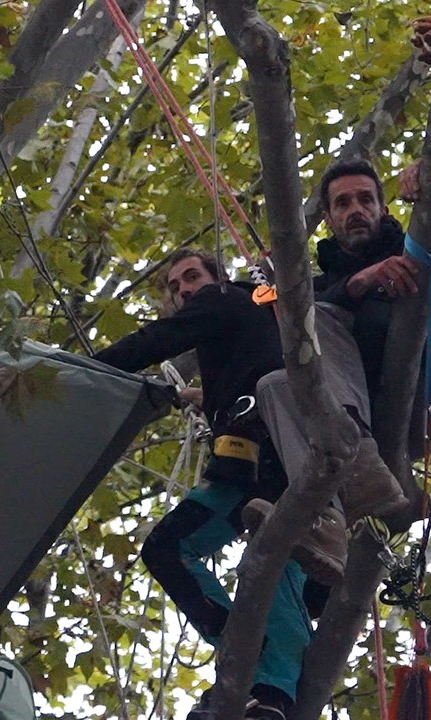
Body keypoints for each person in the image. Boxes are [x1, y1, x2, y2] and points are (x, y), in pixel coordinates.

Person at [94, 249, 345, 720]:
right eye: (175, 287)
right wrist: (204, 396)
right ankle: (260, 675)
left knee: (204, 552)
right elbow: (255, 364)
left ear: (218, 277)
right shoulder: (251, 319)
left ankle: (264, 678)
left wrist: (88, 367)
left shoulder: (225, 297)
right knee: (268, 564)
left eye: (191, 277)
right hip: (265, 457)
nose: (185, 290)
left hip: (267, 458)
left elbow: (156, 340)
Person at [249, 157, 431, 534]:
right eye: (343, 203)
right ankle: (325, 519)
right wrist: (359, 282)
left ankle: (359, 456)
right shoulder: (321, 287)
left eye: (366, 200)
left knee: (314, 317)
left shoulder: (408, 254)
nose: (356, 210)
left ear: (384, 210)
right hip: (365, 419)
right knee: (272, 384)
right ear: (329, 219)